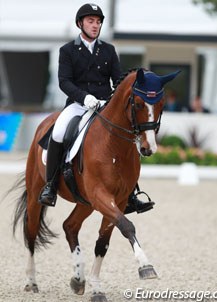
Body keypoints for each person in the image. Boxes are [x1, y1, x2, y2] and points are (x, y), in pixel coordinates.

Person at [38, 3, 155, 214]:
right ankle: (50, 185)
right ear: (80, 23)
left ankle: (131, 193)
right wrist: (84, 97)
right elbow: (64, 82)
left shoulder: (108, 50)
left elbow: (118, 81)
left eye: (98, 22)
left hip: (104, 105)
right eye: (91, 21)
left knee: (127, 135)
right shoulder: (68, 51)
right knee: (58, 131)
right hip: (77, 104)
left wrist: (111, 101)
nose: (95, 25)